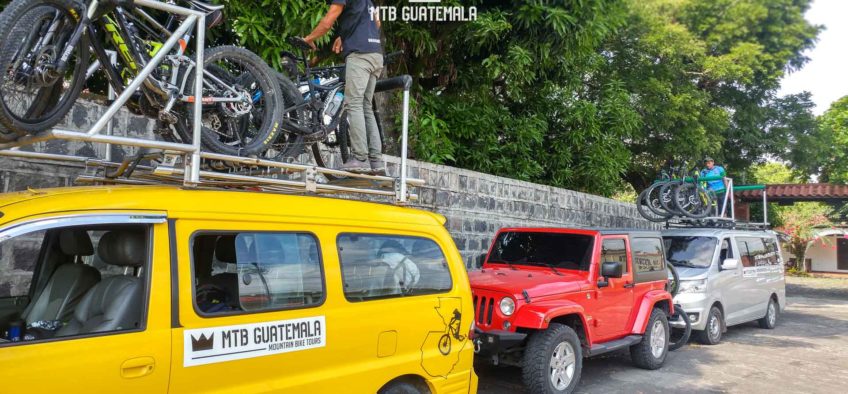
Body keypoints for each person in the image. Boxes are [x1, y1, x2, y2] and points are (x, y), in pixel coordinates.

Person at [304, 0, 385, 175]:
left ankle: (360, 158)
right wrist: (346, 36)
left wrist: (308, 38)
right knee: (366, 107)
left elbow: (328, 21)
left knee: (353, 104)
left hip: (360, 55)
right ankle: (376, 161)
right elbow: (377, 23)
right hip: (376, 55)